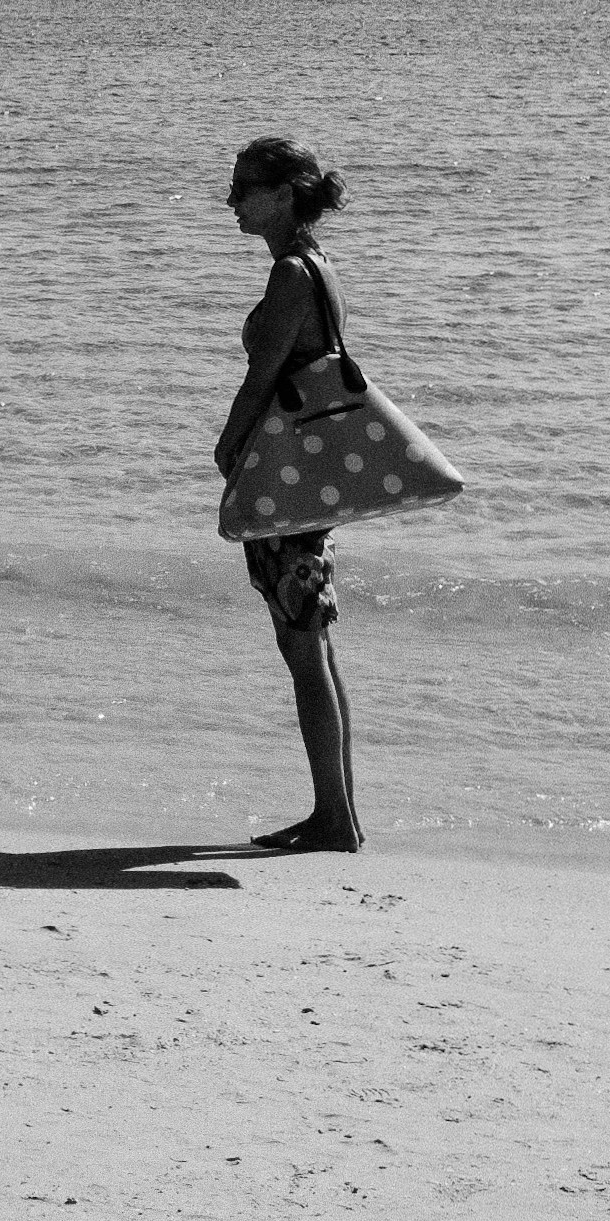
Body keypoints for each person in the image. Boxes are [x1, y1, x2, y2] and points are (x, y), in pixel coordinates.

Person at [210, 134, 364, 853]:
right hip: (310, 476)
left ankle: (334, 819)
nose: (232, 200)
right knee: (316, 647)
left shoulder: (291, 275)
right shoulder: (316, 266)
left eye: (244, 187)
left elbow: (263, 374)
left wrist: (229, 447)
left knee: (303, 649)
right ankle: (338, 815)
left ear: (282, 195)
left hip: (286, 480)